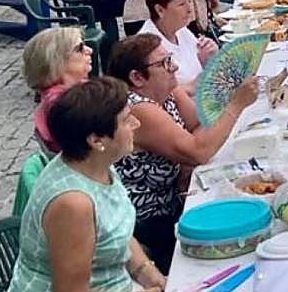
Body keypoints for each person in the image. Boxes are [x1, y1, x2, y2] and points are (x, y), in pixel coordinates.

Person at [110, 34, 258, 274]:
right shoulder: (139, 110)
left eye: (170, 59)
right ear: (136, 78)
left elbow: (199, 123)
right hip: (150, 219)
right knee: (234, 235)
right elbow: (199, 151)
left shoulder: (164, 90)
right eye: (164, 63)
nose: (174, 67)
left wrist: (189, 153)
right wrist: (236, 105)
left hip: (176, 196)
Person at [6, 78, 165, 292]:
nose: (136, 124)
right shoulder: (73, 203)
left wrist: (149, 274)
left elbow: (118, 229)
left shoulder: (98, 164)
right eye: (127, 120)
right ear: (96, 140)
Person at [24, 27, 94, 155]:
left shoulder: (70, 93)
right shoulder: (64, 103)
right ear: (57, 61)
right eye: (79, 48)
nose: (89, 50)